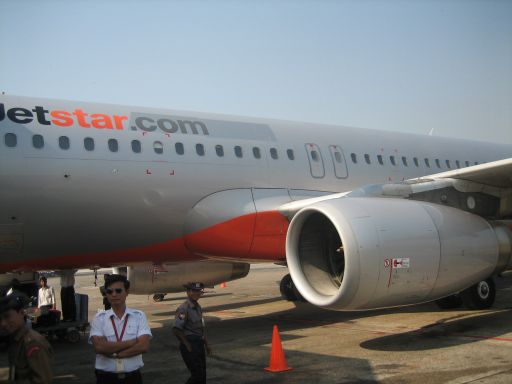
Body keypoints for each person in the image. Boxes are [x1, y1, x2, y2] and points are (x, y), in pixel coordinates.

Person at [89, 274, 152, 384]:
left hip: (132, 378)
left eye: (118, 291)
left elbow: (143, 346)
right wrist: (131, 342)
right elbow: (99, 347)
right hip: (106, 378)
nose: (114, 294)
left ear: (127, 292)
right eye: (109, 291)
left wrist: (115, 354)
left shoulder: (139, 316)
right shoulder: (99, 318)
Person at [0, 294, 54, 383]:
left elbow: (42, 380)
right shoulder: (16, 340)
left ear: (21, 313)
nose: (3, 324)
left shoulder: (33, 343)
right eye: (0, 319)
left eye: (7, 316)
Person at [173, 282, 212, 384]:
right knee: (197, 375)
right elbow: (176, 329)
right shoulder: (184, 308)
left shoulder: (198, 307)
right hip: (190, 344)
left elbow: (201, 328)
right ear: (188, 292)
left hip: (199, 344)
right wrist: (187, 345)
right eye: (194, 291)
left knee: (202, 374)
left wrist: (206, 344)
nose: (197, 293)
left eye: (199, 291)